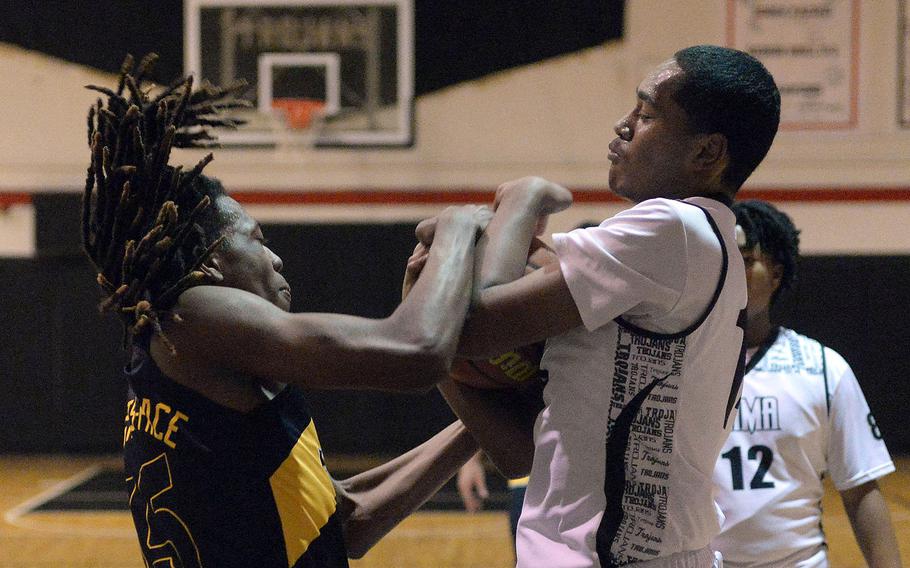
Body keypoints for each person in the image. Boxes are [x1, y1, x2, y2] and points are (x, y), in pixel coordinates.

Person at [82, 54, 488, 567]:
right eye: (256, 239)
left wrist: (476, 429)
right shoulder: (189, 315)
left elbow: (343, 521)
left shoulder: (196, 359)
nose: (275, 258)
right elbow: (416, 352)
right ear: (207, 268)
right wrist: (457, 230)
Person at [421, 45, 782, 567]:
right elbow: (519, 453)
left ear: (707, 152)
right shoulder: (706, 243)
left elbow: (476, 323)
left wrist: (520, 201)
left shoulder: (672, 229)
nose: (624, 125)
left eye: (647, 113)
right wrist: (444, 358)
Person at [712, 200, 902, 567]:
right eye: (724, 260)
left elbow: (860, 487)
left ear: (777, 273)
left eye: (747, 259)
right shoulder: (677, 367)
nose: (733, 272)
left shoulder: (822, 368)